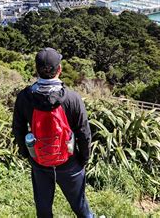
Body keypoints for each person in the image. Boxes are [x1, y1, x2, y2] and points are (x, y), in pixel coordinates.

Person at [12, 47, 93, 218]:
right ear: (60, 70)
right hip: (69, 161)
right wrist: (83, 158)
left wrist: (28, 155)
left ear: (36, 69)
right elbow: (84, 132)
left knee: (43, 209)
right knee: (80, 206)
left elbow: (18, 129)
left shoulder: (25, 97)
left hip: (39, 161)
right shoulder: (72, 98)